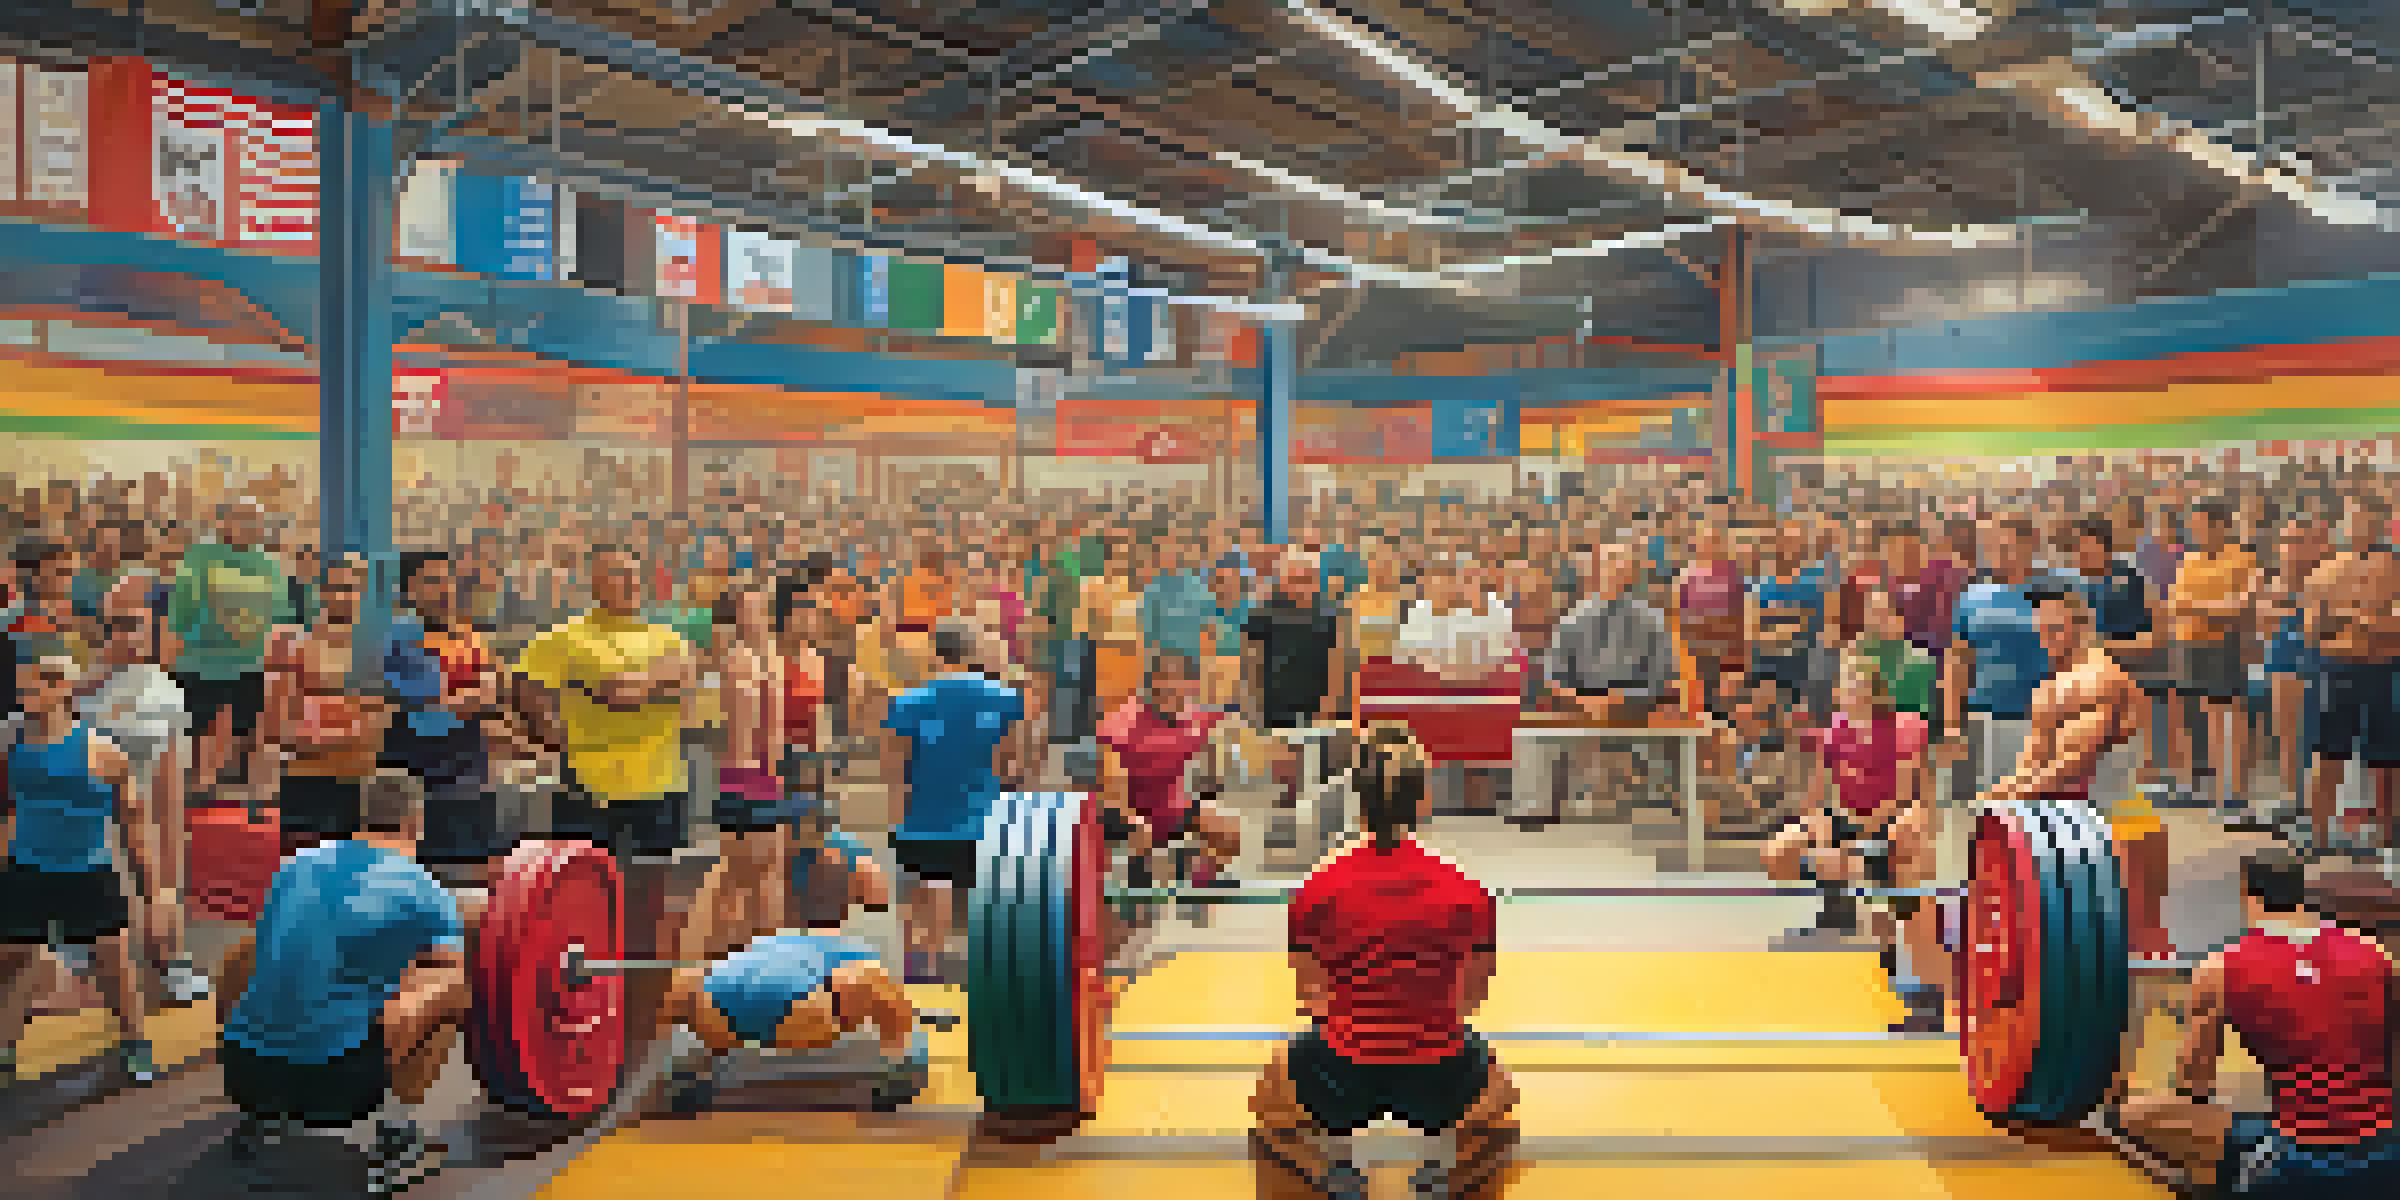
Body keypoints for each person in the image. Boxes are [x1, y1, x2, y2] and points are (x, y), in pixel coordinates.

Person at [1248, 724, 1516, 1200]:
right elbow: (1470, 999)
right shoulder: (1468, 893)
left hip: (1341, 1075)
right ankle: (1446, 1170)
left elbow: (1312, 998)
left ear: (1358, 798)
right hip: (1440, 1076)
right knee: (1502, 1094)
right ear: (1422, 800)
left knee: (1267, 1094)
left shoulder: (1316, 889)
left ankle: (1332, 1166)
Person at [214, 774, 465, 1194]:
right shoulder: (427, 889)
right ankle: (399, 1134)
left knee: (249, 952)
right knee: (453, 985)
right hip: (336, 1091)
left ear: (362, 816)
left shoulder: (294, 865)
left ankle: (259, 1118)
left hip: (244, 1074)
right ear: (416, 822)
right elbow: (445, 966)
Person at [2098, 849, 2398, 1198]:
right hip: (2386, 1155)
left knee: (2132, 1116)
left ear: (2247, 895)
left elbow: (2193, 1084)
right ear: (2303, 896)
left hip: (2292, 1160)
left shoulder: (2220, 968)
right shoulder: (2377, 955)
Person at [0, 635, 164, 1085]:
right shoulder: (9, 742)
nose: (36, 692)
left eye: (47, 683)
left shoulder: (103, 752)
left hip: (88, 872)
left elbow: (133, 823)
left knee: (112, 958)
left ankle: (134, 1042)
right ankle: (5, 1050)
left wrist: (152, 893)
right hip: (27, 870)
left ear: (66, 687)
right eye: (30, 684)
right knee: (17, 958)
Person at [2002, 589, 2175, 959]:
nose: (2045, 639)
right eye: (2041, 630)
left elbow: (2075, 761)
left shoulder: (2099, 679)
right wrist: (2000, 794)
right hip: (2081, 822)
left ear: (2082, 627)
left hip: (2116, 824)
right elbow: (2032, 761)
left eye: (2055, 629)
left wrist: (2009, 796)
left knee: (2134, 948)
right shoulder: (2053, 687)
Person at [79, 572, 210, 1006]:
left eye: (130, 623)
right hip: (89, 819)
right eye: (111, 625)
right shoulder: (83, 688)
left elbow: (170, 783)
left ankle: (171, 961)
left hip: (144, 814)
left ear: (155, 624)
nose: (119, 635)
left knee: (157, 887)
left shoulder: (166, 694)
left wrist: (167, 846)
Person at [880, 618, 1024, 985]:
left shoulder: (905, 703)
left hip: (922, 819)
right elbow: (1013, 764)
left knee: (920, 894)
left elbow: (893, 771)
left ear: (934, 654)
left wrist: (896, 821)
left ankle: (919, 964)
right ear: (971, 653)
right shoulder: (1007, 700)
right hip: (984, 818)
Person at [1764, 655, 1932, 958]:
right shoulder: (1836, 727)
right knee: (1777, 852)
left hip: (1889, 816)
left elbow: (1906, 794)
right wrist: (1816, 821)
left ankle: (1900, 920)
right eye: (1843, 684)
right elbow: (1816, 791)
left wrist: (1857, 843)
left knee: (1909, 830)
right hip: (1847, 816)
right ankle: (1838, 906)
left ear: (1872, 690)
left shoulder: (1903, 726)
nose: (1843, 690)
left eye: (1853, 684)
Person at [381, 552, 505, 886]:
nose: (444, 589)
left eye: (448, 580)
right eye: (433, 581)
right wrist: (464, 697)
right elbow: (426, 696)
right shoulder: (392, 637)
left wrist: (457, 698)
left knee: (469, 882)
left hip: (469, 777)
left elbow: (491, 691)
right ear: (409, 590)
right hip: (414, 778)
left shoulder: (470, 635)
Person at [264, 554, 396, 857]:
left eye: (349, 588)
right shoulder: (293, 644)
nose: (340, 596)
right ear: (320, 592)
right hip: (306, 783)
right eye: (333, 587)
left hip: (358, 785)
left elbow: (379, 724)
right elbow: (277, 725)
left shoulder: (381, 649)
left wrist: (322, 731)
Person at [168, 501, 293, 809]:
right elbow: (181, 612)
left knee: (249, 727)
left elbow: (280, 614)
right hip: (201, 661)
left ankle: (250, 795)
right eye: (240, 519)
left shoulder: (270, 565)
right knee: (201, 726)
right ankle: (200, 789)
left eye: (254, 520)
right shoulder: (199, 558)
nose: (248, 526)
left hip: (251, 662)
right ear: (222, 523)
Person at [1096, 651, 1243, 911]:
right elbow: (1113, 790)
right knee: (1140, 832)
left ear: (1189, 685)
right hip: (1130, 811)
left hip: (1173, 809)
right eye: (1164, 679)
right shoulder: (1121, 724)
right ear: (1151, 682)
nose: (1171, 686)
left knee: (1229, 830)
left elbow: (1230, 728)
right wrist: (1133, 821)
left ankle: (1195, 885)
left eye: (1178, 680)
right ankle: (1136, 899)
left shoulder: (1197, 718)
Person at [2302, 497, 2400, 854]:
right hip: (2335, 670)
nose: (2361, 529)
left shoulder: (2392, 569)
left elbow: (2393, 629)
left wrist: (2353, 621)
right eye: (2354, 521)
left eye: (2368, 521)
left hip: (2383, 671)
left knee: (2386, 758)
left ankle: (2387, 835)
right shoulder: (2324, 574)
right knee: (2327, 753)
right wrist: (2367, 620)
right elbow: (2313, 630)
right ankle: (2319, 836)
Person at [2164, 503, 2261, 818]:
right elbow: (2175, 604)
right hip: (2189, 646)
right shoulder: (2188, 560)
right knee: (2196, 719)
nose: (2195, 531)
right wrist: (2214, 607)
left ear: (2221, 526)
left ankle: (2235, 796)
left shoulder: (2243, 559)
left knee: (2228, 722)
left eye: (2202, 525)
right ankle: (2205, 791)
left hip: (2225, 647)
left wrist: (2200, 607)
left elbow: (2240, 607)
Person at [1944, 515, 2049, 808]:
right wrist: (1953, 725)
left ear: (2030, 547)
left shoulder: (2055, 596)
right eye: (1992, 545)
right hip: (1983, 721)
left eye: (2006, 545)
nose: (1997, 552)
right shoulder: (1972, 597)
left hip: (2038, 723)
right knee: (1985, 819)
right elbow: (1958, 663)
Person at [707, 579, 788, 949]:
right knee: (739, 878)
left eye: (760, 607)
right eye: (749, 608)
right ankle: (731, 960)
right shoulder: (739, 657)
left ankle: (758, 957)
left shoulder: (766, 656)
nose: (758, 615)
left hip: (764, 776)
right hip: (743, 776)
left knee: (765, 874)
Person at [2259, 515, 2329, 814]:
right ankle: (2294, 799)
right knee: (2285, 733)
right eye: (2287, 541)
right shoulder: (2272, 579)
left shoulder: (2327, 577)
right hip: (2281, 661)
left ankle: (2318, 805)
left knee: (2318, 738)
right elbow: (2262, 621)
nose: (2291, 548)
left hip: (2318, 662)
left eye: (2299, 542)